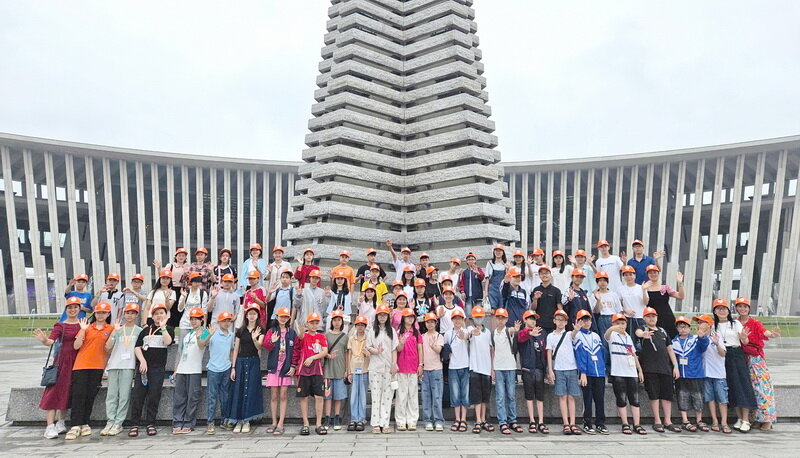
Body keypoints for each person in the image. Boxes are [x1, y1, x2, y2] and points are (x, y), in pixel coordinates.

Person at [33, 296, 82, 439]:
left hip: (77, 362)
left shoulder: (83, 324)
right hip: (62, 362)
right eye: (70, 307)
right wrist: (44, 340)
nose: (73, 310)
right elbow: (50, 341)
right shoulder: (60, 325)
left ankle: (61, 422)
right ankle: (49, 426)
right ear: (66, 309)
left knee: (68, 392)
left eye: (75, 307)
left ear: (79, 309)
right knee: (54, 392)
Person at [64, 302, 113, 440]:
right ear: (95, 314)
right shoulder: (87, 327)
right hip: (81, 365)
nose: (101, 315)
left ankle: (85, 422)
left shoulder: (110, 328)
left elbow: (108, 349)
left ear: (108, 314)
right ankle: (75, 425)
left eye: (104, 313)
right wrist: (82, 330)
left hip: (97, 366)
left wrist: (115, 331)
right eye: (98, 312)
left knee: (90, 395)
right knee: (78, 395)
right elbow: (76, 346)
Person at [128, 303, 174, 438]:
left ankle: (150, 423)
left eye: (162, 313)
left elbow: (168, 342)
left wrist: (163, 328)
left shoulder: (169, 329)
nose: (159, 315)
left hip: (157, 369)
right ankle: (134, 424)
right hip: (143, 367)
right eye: (156, 313)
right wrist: (142, 361)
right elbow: (137, 347)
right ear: (152, 316)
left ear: (166, 315)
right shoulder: (145, 330)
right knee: (138, 396)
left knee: (154, 395)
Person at [735, 296, 780, 430]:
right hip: (740, 359)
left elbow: (764, 332)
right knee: (749, 389)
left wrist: (772, 334)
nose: (742, 309)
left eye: (745, 306)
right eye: (740, 306)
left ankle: (767, 419)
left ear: (749, 309)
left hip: (755, 359)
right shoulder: (735, 323)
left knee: (762, 388)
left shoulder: (755, 323)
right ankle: (754, 418)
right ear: (736, 308)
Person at [712, 298, 757, 433]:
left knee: (743, 385)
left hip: (736, 354)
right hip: (723, 357)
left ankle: (746, 419)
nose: (721, 311)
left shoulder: (735, 323)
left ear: (728, 310)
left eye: (724, 308)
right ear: (714, 311)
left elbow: (745, 340)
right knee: (731, 386)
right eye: (718, 308)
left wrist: (743, 337)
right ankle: (738, 417)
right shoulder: (713, 326)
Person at [635, 306, 681, 433]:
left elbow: (670, 349)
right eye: (648, 316)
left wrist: (675, 366)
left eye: (653, 316)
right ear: (644, 318)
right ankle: (657, 420)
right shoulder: (642, 329)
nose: (651, 318)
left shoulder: (662, 331)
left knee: (667, 395)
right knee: (654, 395)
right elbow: (638, 333)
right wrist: (643, 335)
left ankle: (668, 420)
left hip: (665, 368)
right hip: (650, 368)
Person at [101, 303, 142, 437]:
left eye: (132, 313)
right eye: (127, 313)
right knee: (112, 395)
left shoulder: (139, 331)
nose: (129, 315)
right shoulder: (117, 329)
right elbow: (107, 347)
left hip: (128, 366)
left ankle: (118, 422)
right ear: (124, 314)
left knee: (124, 395)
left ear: (136, 315)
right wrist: (114, 331)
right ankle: (110, 421)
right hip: (114, 364)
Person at [604, 313, 646, 435]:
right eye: (618, 323)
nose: (621, 325)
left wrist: (640, 370)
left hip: (631, 371)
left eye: (623, 323)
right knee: (621, 399)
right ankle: (625, 423)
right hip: (618, 371)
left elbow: (633, 354)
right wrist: (613, 328)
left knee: (635, 399)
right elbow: (606, 335)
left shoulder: (628, 337)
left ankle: (637, 424)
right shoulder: (612, 335)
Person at [225, 304, 264, 434]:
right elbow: (236, 349)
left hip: (253, 362)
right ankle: (238, 419)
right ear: (246, 315)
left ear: (258, 315)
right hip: (241, 361)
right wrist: (233, 367)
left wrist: (254, 338)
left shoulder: (260, 330)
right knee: (239, 390)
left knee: (251, 390)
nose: (252, 315)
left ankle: (247, 420)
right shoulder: (240, 330)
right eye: (250, 313)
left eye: (254, 313)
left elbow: (259, 347)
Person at [290, 312, 329, 436]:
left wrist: (312, 357)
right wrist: (301, 331)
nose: (314, 325)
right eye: (312, 323)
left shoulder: (321, 337)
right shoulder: (304, 336)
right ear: (307, 323)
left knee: (319, 396)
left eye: (316, 323)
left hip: (317, 370)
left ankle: (318, 423)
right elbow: (300, 338)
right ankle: (305, 423)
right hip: (303, 370)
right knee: (304, 397)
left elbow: (325, 352)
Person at [172, 307, 207, 434]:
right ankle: (177, 422)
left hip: (194, 369)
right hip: (182, 369)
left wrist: (199, 337)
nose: (193, 321)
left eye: (196, 319)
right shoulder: (187, 334)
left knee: (193, 397)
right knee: (179, 397)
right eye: (191, 319)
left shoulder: (205, 332)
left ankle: (188, 422)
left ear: (201, 320)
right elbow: (181, 352)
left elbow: (202, 345)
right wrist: (176, 369)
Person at [572, 309, 607, 435]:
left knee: (600, 399)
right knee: (587, 399)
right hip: (587, 373)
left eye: (588, 320)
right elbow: (580, 355)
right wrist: (583, 372)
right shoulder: (577, 336)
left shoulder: (596, 336)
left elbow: (602, 353)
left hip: (599, 372)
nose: (586, 322)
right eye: (583, 320)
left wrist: (603, 369)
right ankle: (587, 423)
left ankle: (600, 423)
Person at [546, 310, 582, 436]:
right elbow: (549, 354)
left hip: (572, 368)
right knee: (562, 396)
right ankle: (565, 423)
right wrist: (550, 370)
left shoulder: (568, 334)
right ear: (554, 320)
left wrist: (577, 329)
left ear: (567, 322)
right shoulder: (550, 336)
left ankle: (573, 423)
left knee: (571, 396)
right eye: (558, 319)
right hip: (559, 369)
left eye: (563, 320)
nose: (560, 322)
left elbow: (573, 335)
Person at [672, 315, 710, 432]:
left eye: (685, 326)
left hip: (696, 373)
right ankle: (685, 420)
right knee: (682, 396)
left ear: (689, 328)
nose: (683, 329)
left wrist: (702, 336)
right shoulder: (674, 342)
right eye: (680, 326)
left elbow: (704, 346)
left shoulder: (695, 339)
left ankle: (699, 419)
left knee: (698, 397)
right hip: (681, 375)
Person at [263, 308, 297, 436]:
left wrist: (293, 366)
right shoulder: (272, 331)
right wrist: (272, 341)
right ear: (276, 317)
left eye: (285, 317)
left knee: (283, 394)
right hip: (274, 366)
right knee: (274, 395)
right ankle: (273, 421)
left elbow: (295, 351)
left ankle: (281, 423)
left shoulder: (291, 333)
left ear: (288, 318)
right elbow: (266, 346)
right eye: (281, 316)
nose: (283, 319)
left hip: (286, 367)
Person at [367, 304, 399, 434]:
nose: (382, 317)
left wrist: (393, 364)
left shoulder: (391, 331)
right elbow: (368, 347)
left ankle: (385, 423)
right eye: (380, 315)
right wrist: (376, 351)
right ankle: (375, 424)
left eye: (384, 315)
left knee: (387, 396)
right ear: (377, 316)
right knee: (376, 396)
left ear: (387, 317)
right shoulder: (371, 331)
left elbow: (394, 349)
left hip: (388, 368)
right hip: (375, 367)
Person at [697, 314, 731, 433]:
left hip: (719, 374)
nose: (699, 325)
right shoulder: (698, 338)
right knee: (710, 398)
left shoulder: (716, 336)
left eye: (702, 322)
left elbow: (723, 354)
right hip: (706, 374)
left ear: (709, 325)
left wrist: (716, 344)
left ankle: (724, 422)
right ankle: (714, 420)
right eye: (699, 322)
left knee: (722, 399)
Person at [492, 308, 523, 435]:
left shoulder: (508, 330)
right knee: (500, 396)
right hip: (498, 367)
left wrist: (515, 329)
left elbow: (512, 330)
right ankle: (502, 422)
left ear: (506, 319)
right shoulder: (492, 333)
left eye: (503, 318)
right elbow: (492, 350)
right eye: (498, 317)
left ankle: (512, 420)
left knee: (511, 395)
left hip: (510, 366)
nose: (500, 320)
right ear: (495, 319)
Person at [517, 310, 549, 434]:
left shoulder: (541, 333)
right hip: (527, 368)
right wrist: (530, 333)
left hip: (539, 368)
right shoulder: (523, 333)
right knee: (529, 396)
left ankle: (541, 421)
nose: (533, 321)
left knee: (540, 396)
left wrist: (546, 369)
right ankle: (531, 420)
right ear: (525, 320)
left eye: (534, 319)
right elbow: (521, 337)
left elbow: (545, 352)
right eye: (530, 318)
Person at [204, 311, 235, 435]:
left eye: (228, 321)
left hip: (226, 368)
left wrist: (233, 366)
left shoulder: (231, 335)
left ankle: (224, 420)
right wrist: (208, 335)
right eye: (224, 321)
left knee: (225, 397)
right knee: (212, 397)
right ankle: (210, 422)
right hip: (213, 369)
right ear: (219, 322)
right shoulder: (213, 333)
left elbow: (232, 351)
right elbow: (202, 344)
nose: (226, 323)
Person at [394, 308, 423, 431]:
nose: (410, 319)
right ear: (403, 319)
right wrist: (401, 343)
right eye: (407, 317)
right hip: (401, 367)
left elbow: (420, 349)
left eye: (412, 317)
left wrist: (421, 365)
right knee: (401, 395)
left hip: (413, 367)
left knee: (412, 395)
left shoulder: (416, 333)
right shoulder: (397, 333)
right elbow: (397, 350)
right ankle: (400, 420)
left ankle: (412, 420)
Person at [589, 270, 623, 368]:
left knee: (615, 342)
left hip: (613, 319)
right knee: (604, 343)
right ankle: (606, 368)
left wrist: (619, 324)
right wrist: (598, 300)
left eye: (604, 280)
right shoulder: (594, 295)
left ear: (607, 282)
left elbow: (619, 311)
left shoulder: (613, 294)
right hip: (601, 319)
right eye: (600, 280)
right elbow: (596, 311)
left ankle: (615, 367)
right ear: (597, 282)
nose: (602, 283)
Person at [467, 306, 493, 434]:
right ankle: (477, 419)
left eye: (480, 316)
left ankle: (483, 419)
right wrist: (472, 333)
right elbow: (467, 336)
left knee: (485, 397)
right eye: (476, 317)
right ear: (472, 318)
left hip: (486, 368)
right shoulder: (470, 329)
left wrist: (492, 369)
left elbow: (491, 349)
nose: (478, 318)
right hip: (475, 367)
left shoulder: (488, 332)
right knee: (477, 397)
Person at [642, 265, 685, 338]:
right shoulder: (644, 287)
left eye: (655, 272)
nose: (653, 274)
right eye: (650, 273)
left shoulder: (665, 288)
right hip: (652, 319)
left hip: (667, 318)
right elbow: (645, 302)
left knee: (671, 340)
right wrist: (643, 290)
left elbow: (681, 296)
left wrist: (680, 283)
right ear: (647, 275)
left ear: (658, 273)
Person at [323, 310, 349, 430]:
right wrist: (327, 355)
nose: (337, 322)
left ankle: (337, 417)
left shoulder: (345, 336)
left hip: (340, 369)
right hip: (328, 370)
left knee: (338, 396)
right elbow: (323, 352)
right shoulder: (326, 335)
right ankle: (327, 417)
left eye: (339, 320)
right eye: (335, 320)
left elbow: (347, 354)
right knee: (327, 396)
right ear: (331, 322)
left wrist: (347, 369)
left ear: (342, 322)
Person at [445, 308, 470, 432]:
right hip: (453, 366)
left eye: (459, 318)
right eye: (455, 319)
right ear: (452, 320)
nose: (457, 321)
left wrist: (464, 336)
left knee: (464, 393)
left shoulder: (466, 331)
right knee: (455, 393)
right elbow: (445, 348)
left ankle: (463, 419)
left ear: (463, 320)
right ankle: (457, 419)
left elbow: (468, 337)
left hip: (465, 365)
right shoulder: (448, 333)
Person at [420, 312, 444, 431]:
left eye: (432, 322)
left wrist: (433, 346)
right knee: (426, 396)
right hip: (425, 370)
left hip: (436, 370)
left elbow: (439, 350)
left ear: (435, 323)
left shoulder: (439, 336)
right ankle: (427, 420)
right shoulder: (422, 336)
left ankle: (438, 420)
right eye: (428, 322)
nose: (430, 324)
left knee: (437, 396)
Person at [153, 247, 189, 327]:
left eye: (183, 256)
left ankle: (180, 326)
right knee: (171, 309)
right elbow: (163, 276)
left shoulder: (187, 267)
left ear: (185, 257)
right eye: (179, 255)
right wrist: (159, 268)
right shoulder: (171, 266)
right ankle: (169, 326)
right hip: (172, 289)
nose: (181, 257)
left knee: (181, 308)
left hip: (182, 290)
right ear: (176, 257)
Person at [346, 315, 371, 431]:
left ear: (365, 326)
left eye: (362, 325)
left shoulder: (368, 338)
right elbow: (349, 354)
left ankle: (361, 419)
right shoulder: (352, 338)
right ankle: (353, 418)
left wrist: (368, 354)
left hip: (365, 368)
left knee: (362, 395)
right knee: (354, 394)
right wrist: (348, 371)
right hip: (354, 368)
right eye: (358, 325)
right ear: (355, 326)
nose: (360, 327)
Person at [618, 265, 649, 347]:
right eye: (626, 275)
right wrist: (626, 310)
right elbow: (618, 304)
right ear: (623, 277)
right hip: (628, 318)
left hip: (641, 317)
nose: (629, 277)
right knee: (630, 341)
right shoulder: (621, 289)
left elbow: (646, 302)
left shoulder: (641, 287)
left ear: (634, 275)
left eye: (630, 274)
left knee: (644, 341)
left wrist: (643, 291)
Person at [531, 265, 562, 337]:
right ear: (539, 276)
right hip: (540, 324)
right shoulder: (536, 290)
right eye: (542, 273)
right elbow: (533, 308)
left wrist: (560, 322)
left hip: (553, 324)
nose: (544, 275)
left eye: (546, 273)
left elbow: (559, 307)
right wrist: (535, 299)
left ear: (550, 275)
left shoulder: (556, 291)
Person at [294, 268, 325, 333]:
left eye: (316, 278)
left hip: (317, 325)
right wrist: (298, 296)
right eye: (313, 277)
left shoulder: (322, 292)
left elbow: (323, 309)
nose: (314, 280)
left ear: (319, 280)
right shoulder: (303, 291)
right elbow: (296, 305)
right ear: (309, 278)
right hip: (305, 324)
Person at [458, 252, 485, 316]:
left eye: (472, 259)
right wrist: (462, 292)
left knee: (478, 314)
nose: (471, 261)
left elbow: (482, 277)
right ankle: (470, 326)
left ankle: (478, 326)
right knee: (469, 315)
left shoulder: (479, 269)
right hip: (468, 297)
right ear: (467, 261)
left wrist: (478, 273)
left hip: (478, 297)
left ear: (475, 260)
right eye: (469, 259)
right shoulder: (465, 272)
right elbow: (461, 283)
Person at [484, 244, 507, 311]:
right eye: (496, 251)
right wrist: (486, 292)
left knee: (502, 310)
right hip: (492, 291)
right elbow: (487, 278)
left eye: (500, 251)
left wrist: (507, 269)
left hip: (503, 290)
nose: (498, 252)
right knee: (493, 311)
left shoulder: (506, 264)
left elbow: (509, 278)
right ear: (494, 252)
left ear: (503, 253)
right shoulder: (490, 263)